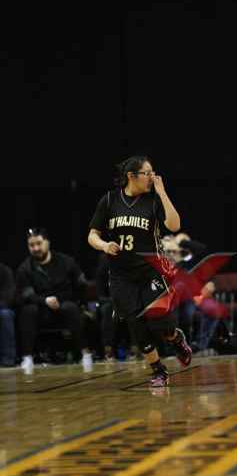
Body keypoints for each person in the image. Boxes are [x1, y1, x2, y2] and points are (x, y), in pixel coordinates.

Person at [88, 155, 192, 389]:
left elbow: (175, 225)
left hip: (151, 272)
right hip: (121, 275)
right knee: (136, 326)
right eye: (147, 173)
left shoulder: (153, 200)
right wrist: (104, 245)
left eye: (152, 172)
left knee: (160, 324)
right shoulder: (109, 200)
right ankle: (158, 370)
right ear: (131, 176)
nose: (152, 177)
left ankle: (176, 338)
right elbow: (92, 235)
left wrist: (162, 192)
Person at [16, 228, 93, 372]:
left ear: (48, 242)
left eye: (39, 243)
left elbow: (81, 285)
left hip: (64, 305)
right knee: (28, 310)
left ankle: (85, 353)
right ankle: (27, 357)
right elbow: (27, 295)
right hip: (41, 310)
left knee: (71, 308)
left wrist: (68, 300)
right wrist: (45, 301)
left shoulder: (66, 262)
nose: (36, 248)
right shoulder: (25, 268)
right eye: (31, 245)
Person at [0, 262, 16, 367]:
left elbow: (8, 298)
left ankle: (8, 358)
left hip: (2, 307)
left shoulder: (5, 271)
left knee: (5, 315)